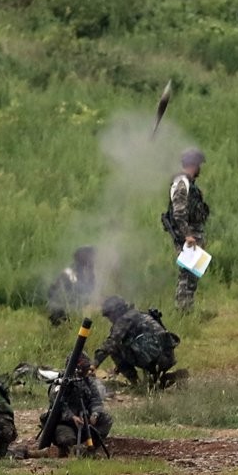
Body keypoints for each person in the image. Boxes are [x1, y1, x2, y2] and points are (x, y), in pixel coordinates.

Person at [93, 296, 180, 387]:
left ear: (116, 312)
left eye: (109, 315)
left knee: (114, 350)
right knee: (152, 386)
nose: (109, 319)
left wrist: (94, 364)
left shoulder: (124, 320)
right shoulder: (137, 315)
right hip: (167, 356)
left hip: (155, 360)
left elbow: (110, 343)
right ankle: (172, 377)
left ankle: (135, 382)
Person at [39, 352, 113, 457]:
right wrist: (72, 417)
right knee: (68, 440)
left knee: (106, 419)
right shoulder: (61, 383)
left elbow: (95, 399)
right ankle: (70, 450)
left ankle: (87, 448)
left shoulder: (88, 381)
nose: (87, 373)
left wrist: (95, 414)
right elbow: (58, 404)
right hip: (64, 423)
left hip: (85, 421)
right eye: (85, 370)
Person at [165, 148, 210, 311]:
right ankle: (183, 309)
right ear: (194, 164)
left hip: (193, 233)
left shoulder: (187, 183)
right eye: (199, 165)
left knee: (193, 274)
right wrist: (188, 235)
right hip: (188, 235)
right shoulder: (182, 183)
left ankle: (187, 307)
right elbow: (179, 212)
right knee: (187, 273)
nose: (200, 169)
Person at [47, 246, 96, 326]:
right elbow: (81, 290)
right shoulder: (70, 273)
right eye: (91, 257)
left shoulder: (88, 274)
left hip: (74, 309)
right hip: (63, 311)